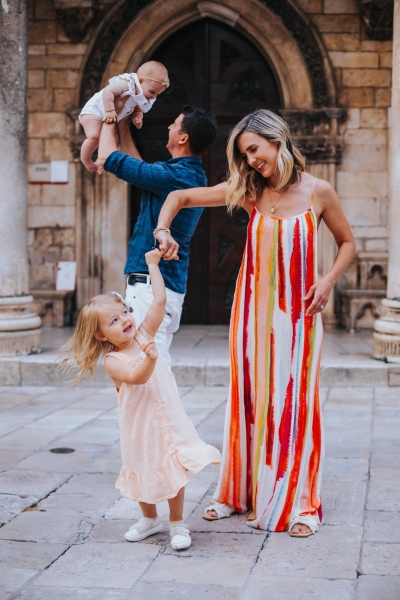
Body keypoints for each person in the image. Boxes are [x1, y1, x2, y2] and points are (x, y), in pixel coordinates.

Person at [153, 109, 356, 537]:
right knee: (247, 401)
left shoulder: (320, 192)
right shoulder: (250, 192)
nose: (250, 162)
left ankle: (302, 505)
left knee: (294, 405)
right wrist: (162, 229)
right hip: (250, 317)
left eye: (253, 150)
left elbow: (347, 243)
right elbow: (180, 197)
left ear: (276, 139)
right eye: (244, 155)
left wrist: (328, 280)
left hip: (299, 319)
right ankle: (236, 493)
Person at [60, 249, 221, 550]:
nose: (123, 320)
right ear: (102, 336)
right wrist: (150, 358)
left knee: (173, 469)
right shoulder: (113, 361)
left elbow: (159, 301)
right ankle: (150, 519)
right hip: (140, 429)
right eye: (113, 320)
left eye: (124, 312)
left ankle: (177, 522)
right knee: (143, 470)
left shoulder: (145, 334)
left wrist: (152, 267)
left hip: (168, 421)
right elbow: (138, 377)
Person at [98, 104, 217, 376]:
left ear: (183, 138)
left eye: (174, 123)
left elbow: (107, 156)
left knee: (151, 369)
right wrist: (124, 124)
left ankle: (167, 420)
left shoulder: (175, 176)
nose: (168, 127)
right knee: (154, 364)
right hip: (163, 287)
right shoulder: (185, 174)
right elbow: (138, 168)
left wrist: (109, 117)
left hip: (152, 287)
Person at [79, 61, 169, 172]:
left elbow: (138, 108)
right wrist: (110, 111)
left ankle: (100, 161)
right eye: (152, 92)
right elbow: (109, 91)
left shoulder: (146, 95)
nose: (153, 96)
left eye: (157, 94)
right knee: (94, 136)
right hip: (94, 111)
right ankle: (86, 160)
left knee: (115, 140)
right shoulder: (128, 83)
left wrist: (138, 115)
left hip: (112, 117)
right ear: (140, 81)